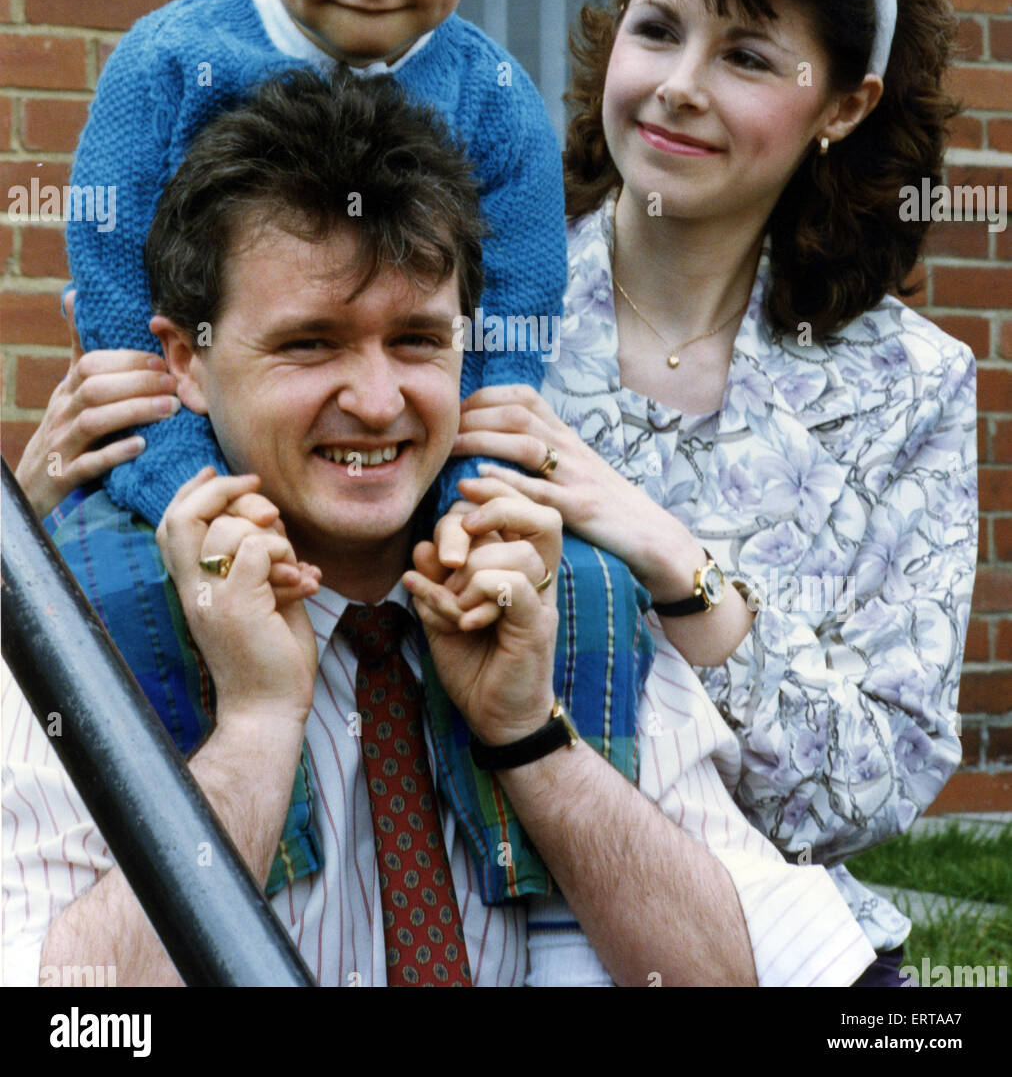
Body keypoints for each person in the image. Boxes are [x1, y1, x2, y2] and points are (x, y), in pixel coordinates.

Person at [3, 68, 875, 988]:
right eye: (310, 343)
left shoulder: (563, 595)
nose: (380, 402)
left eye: (417, 340)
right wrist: (256, 727)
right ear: (186, 360)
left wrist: (529, 736)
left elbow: (724, 981)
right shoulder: (83, 626)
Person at [451, 0, 977, 982]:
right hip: (466, 924)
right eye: (656, 29)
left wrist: (673, 564)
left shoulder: (908, 388)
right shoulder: (473, 307)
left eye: (744, 54)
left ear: (843, 103)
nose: (678, 85)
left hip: (768, 942)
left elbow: (871, 787)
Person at [64, 0, 565, 533]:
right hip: (169, 483)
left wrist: (467, 505)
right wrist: (189, 490)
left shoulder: (498, 102)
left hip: (397, 496)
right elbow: (117, 300)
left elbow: (511, 333)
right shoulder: (167, 63)